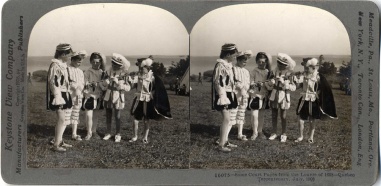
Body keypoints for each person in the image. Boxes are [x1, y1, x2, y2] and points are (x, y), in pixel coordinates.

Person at [293, 58, 337, 143]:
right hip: (303, 99)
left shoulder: (318, 76)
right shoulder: (303, 75)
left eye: (307, 67)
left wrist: (318, 94)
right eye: (304, 66)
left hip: (313, 100)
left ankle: (310, 137)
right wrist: (292, 83)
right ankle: (300, 136)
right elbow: (298, 86)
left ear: (312, 67)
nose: (305, 68)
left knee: (312, 119)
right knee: (300, 119)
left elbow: (324, 88)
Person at [129, 56, 172, 143]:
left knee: (146, 119)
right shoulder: (137, 75)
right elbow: (132, 86)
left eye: (142, 67)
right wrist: (129, 81)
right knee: (135, 119)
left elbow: (157, 88)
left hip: (148, 100)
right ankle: (134, 136)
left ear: (147, 67)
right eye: (139, 67)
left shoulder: (152, 76)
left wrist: (154, 96)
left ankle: (145, 138)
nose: (140, 68)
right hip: (138, 99)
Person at [46, 43, 74, 152]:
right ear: (62, 54)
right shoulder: (55, 65)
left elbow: (62, 80)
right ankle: (56, 145)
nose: (70, 57)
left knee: (63, 118)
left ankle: (60, 141)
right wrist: (57, 97)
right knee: (61, 119)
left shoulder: (62, 65)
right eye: (69, 55)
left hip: (64, 93)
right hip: (58, 95)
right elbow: (53, 83)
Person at [211, 43, 239, 152]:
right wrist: (222, 97)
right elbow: (218, 83)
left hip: (229, 93)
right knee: (226, 119)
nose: (235, 57)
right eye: (234, 55)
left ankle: (225, 141)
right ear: (228, 55)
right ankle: (221, 145)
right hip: (223, 95)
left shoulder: (228, 65)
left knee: (229, 118)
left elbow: (228, 81)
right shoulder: (220, 65)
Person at [267, 53, 296, 142]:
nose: (279, 65)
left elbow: (293, 88)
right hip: (275, 94)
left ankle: (284, 133)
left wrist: (284, 83)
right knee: (274, 114)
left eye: (282, 64)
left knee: (283, 116)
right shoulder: (273, 71)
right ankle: (274, 132)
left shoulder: (290, 74)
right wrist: (270, 83)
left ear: (286, 65)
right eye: (278, 63)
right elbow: (268, 85)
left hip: (284, 95)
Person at [102, 53, 131, 142]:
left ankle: (118, 134)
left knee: (117, 116)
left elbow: (128, 88)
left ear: (121, 66)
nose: (114, 66)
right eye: (113, 64)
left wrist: (118, 83)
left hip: (118, 96)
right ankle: (108, 132)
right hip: (108, 95)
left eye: (117, 65)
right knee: (108, 115)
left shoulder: (124, 74)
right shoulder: (107, 72)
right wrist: (106, 82)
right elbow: (103, 84)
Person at [82, 52, 107, 140]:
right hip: (90, 95)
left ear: (101, 62)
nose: (96, 64)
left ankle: (94, 131)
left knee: (96, 115)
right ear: (91, 62)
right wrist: (91, 84)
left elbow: (104, 85)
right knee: (89, 115)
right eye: (94, 62)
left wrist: (102, 84)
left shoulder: (102, 72)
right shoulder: (88, 72)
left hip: (99, 96)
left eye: (98, 62)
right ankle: (88, 132)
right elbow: (84, 82)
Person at [247, 52, 272, 140]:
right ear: (256, 61)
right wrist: (255, 84)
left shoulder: (268, 72)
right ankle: (254, 132)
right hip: (255, 95)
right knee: (254, 115)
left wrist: (268, 84)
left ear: (266, 62)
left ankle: (260, 131)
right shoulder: (253, 71)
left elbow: (270, 86)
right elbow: (250, 83)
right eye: (259, 62)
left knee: (261, 115)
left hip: (264, 96)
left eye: (263, 62)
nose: (261, 64)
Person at [230, 50, 252, 141]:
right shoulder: (233, 69)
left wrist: (246, 88)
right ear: (238, 60)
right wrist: (241, 87)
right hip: (235, 95)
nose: (245, 62)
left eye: (246, 61)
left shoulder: (246, 72)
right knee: (232, 114)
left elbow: (248, 83)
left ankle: (240, 133)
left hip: (244, 96)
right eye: (243, 60)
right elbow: (233, 82)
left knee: (241, 114)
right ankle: (225, 134)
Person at [67, 50, 87, 141]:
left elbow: (82, 83)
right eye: (78, 60)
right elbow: (68, 81)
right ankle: (59, 134)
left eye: (81, 60)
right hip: (69, 95)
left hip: (78, 96)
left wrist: (80, 89)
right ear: (72, 60)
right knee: (66, 114)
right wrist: (75, 87)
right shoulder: (67, 69)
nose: (80, 62)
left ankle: (74, 134)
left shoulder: (80, 71)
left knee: (75, 114)